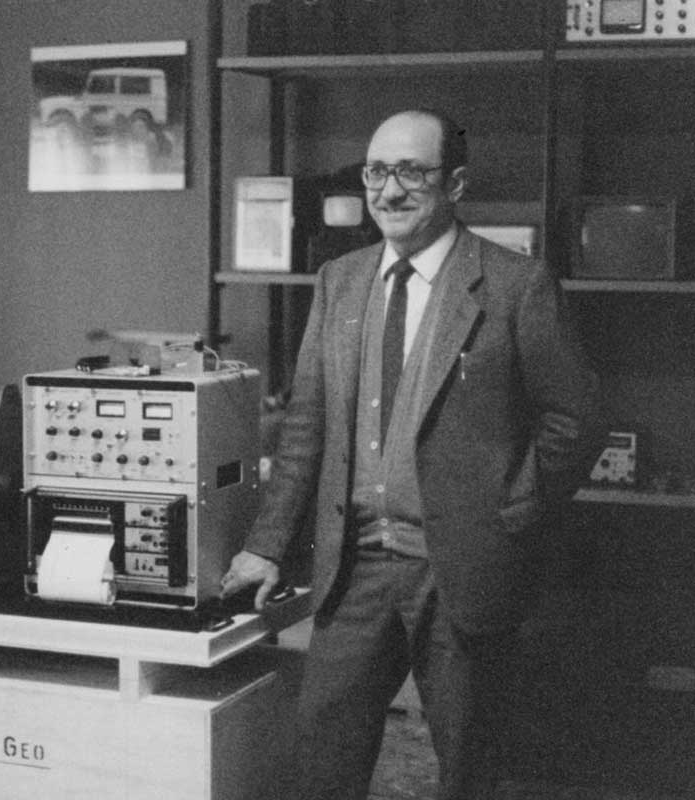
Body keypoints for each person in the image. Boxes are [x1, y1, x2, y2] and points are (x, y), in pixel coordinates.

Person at [220, 108, 599, 800]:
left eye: (411, 172)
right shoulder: (339, 280)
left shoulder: (515, 285)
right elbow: (306, 426)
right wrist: (266, 544)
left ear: (455, 184)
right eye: (376, 172)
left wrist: (512, 509)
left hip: (459, 571)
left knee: (468, 771)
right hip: (354, 567)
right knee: (323, 765)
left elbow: (576, 418)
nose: (389, 190)